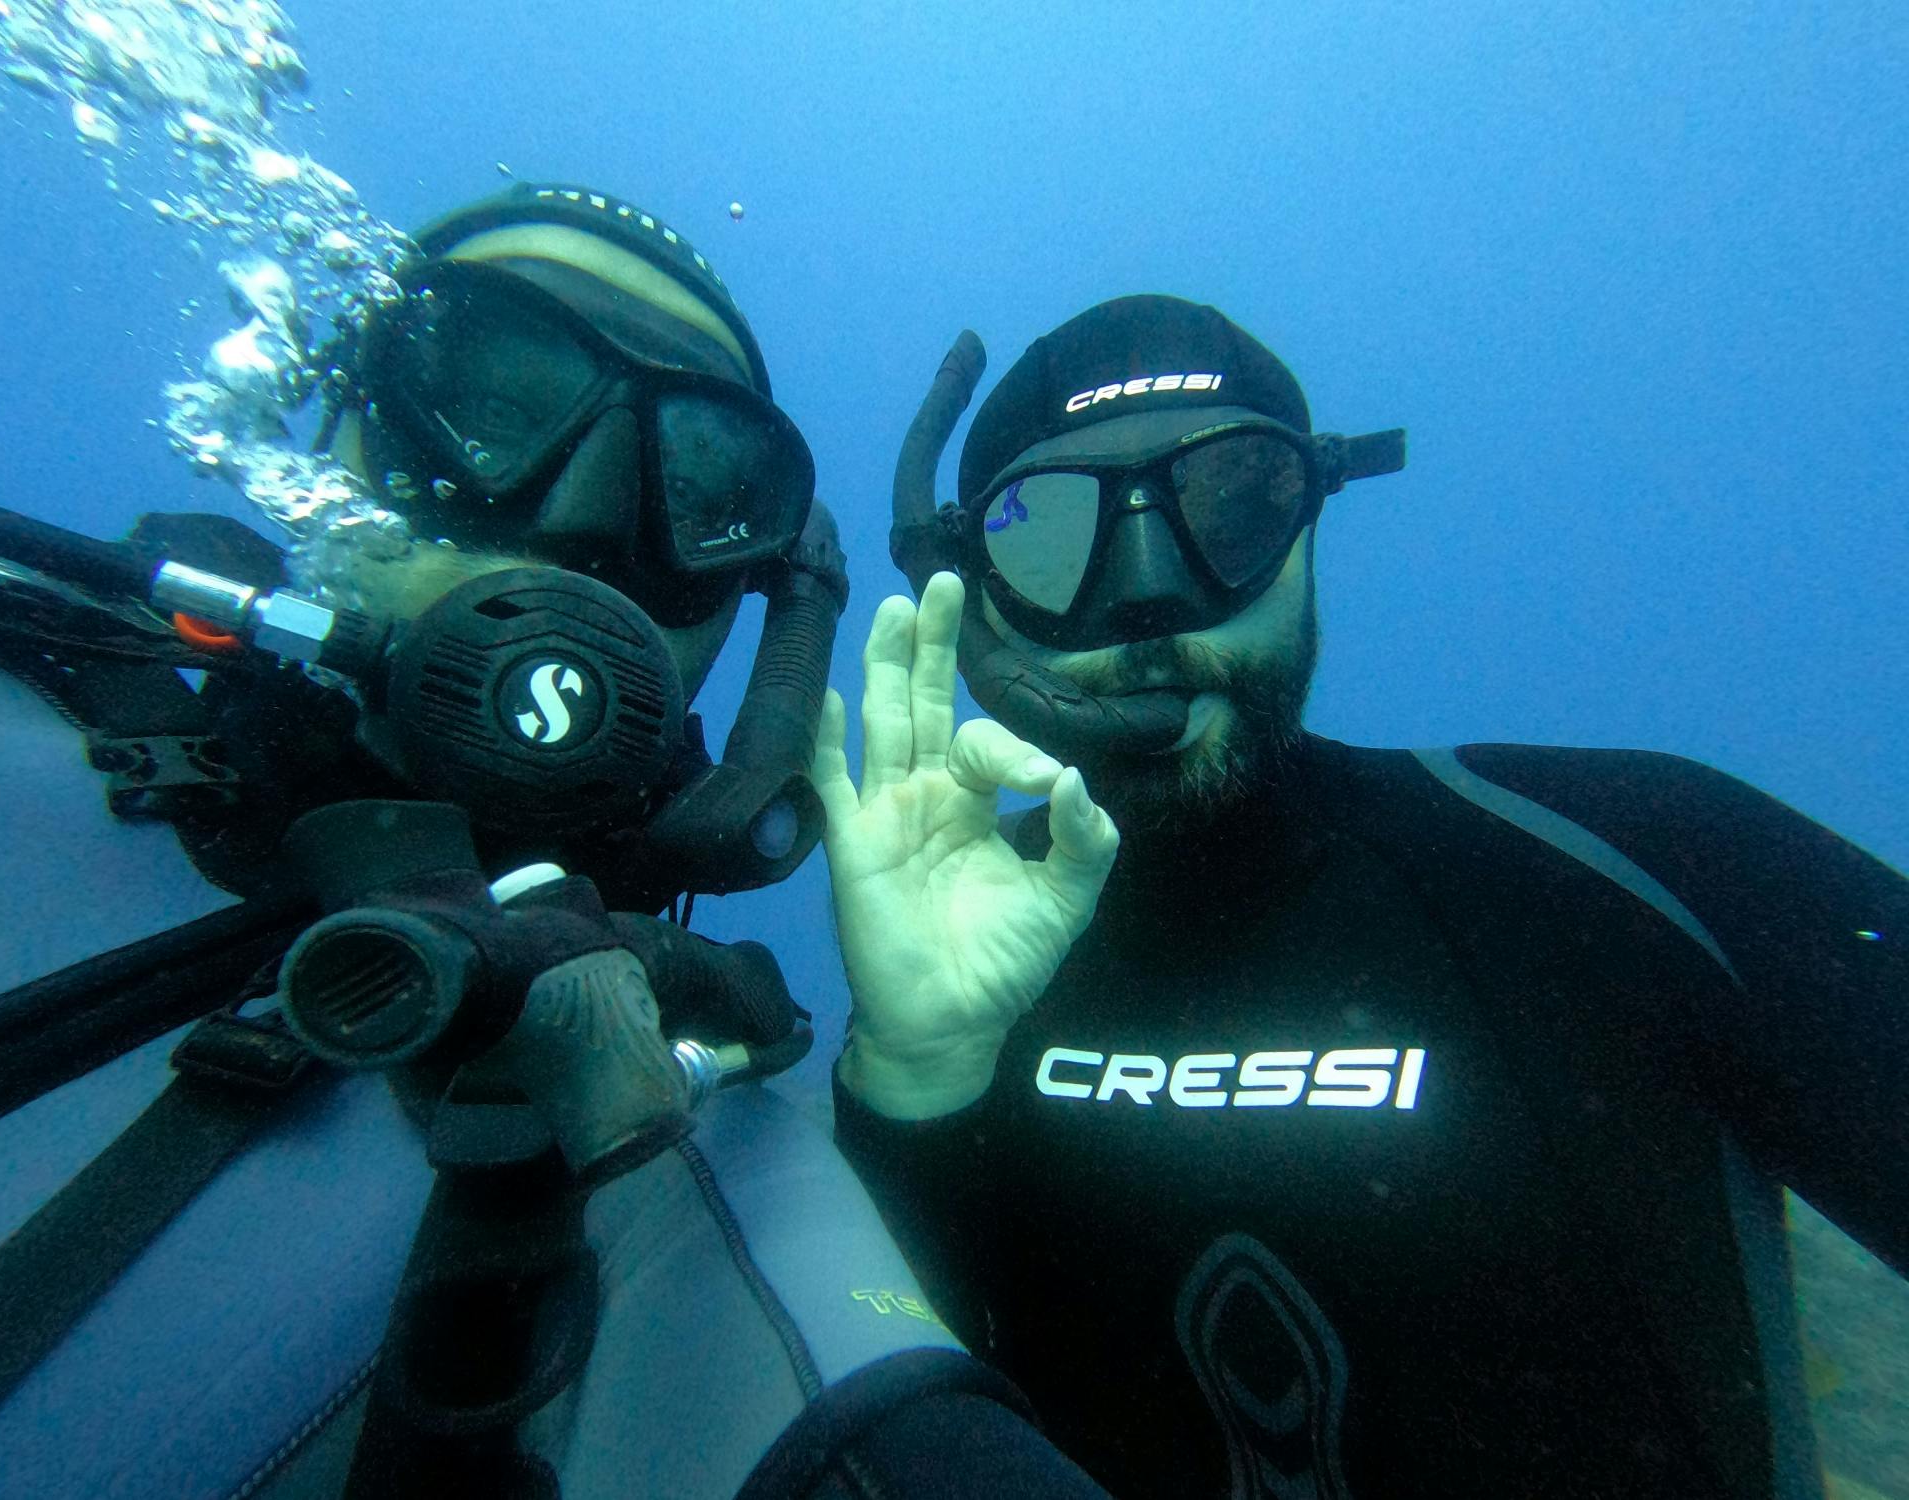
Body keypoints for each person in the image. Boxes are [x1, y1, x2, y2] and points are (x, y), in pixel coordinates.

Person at [0, 184, 1111, 1500]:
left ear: (758, 600)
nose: (586, 523)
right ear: (333, 425)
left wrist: (918, 1082)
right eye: (487, 398)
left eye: (700, 482)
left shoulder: (678, 1115)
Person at [816, 295, 1909, 1499]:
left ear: (1312, 521)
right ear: (975, 590)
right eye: (1046, 537)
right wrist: (914, 1081)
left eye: (1232, 504)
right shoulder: (949, 969)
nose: (1147, 600)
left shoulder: (1635, 864)